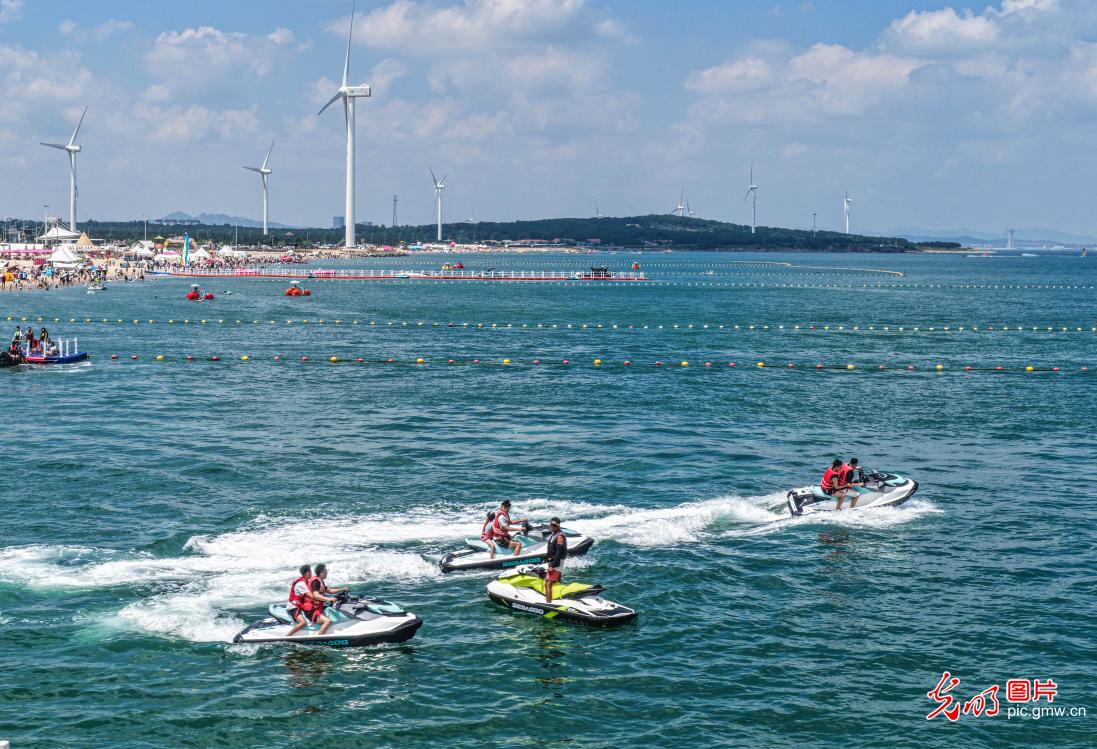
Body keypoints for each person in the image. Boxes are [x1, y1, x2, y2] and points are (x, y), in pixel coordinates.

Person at [306, 563, 344, 636]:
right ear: (321, 573)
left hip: (318, 607)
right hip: (311, 610)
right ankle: (319, 639)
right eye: (326, 572)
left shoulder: (320, 582)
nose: (327, 574)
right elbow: (316, 595)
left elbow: (330, 590)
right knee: (327, 621)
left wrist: (342, 589)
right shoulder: (315, 582)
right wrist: (329, 599)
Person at [285, 565, 314, 637]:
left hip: (300, 606)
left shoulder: (304, 580)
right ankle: (287, 636)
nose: (311, 573)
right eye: (309, 572)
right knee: (303, 623)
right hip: (293, 608)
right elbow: (312, 596)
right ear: (305, 573)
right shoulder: (301, 584)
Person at [544, 517, 567, 602]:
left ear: (558, 526)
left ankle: (548, 604)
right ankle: (558, 598)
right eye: (551, 525)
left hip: (556, 562)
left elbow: (558, 553)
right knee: (556, 581)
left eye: (554, 525)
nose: (552, 527)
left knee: (548, 583)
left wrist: (552, 566)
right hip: (553, 561)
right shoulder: (554, 534)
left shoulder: (559, 536)